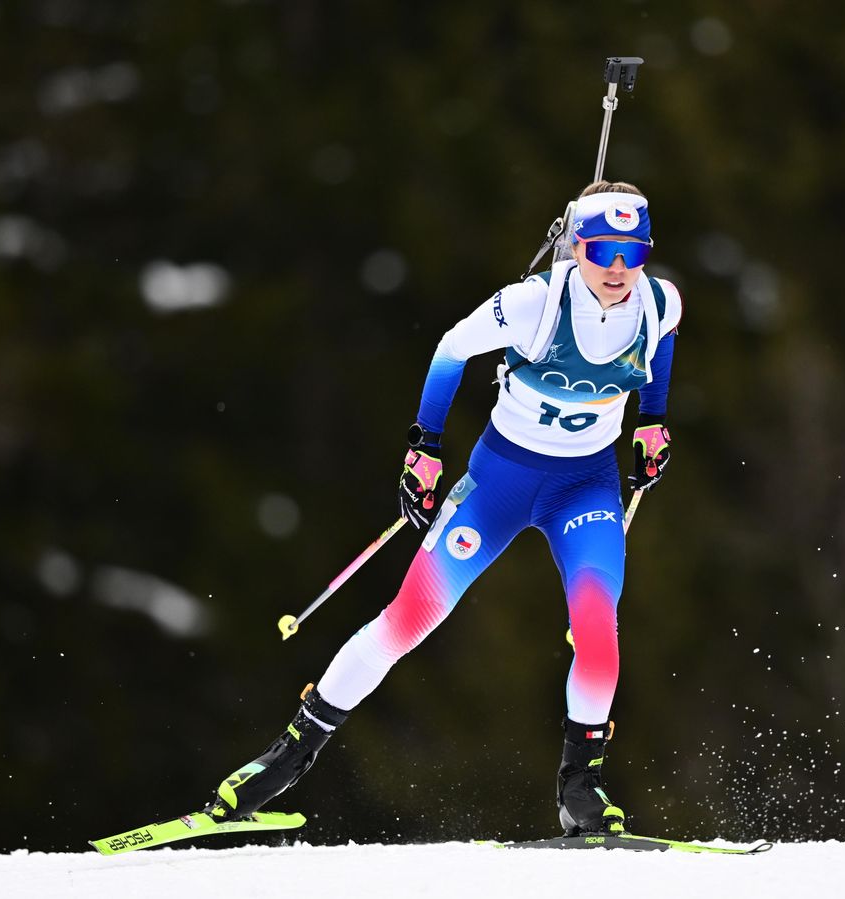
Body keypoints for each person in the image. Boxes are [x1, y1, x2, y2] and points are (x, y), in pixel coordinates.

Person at [205, 180, 683, 837]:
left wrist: (652, 419)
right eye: (603, 250)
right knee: (408, 619)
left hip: (586, 488)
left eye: (634, 252)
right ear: (577, 247)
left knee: (599, 634)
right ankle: (285, 758)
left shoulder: (658, 302)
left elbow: (662, 343)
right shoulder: (534, 304)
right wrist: (424, 447)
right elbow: (451, 348)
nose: (619, 269)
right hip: (499, 484)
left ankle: (581, 789)